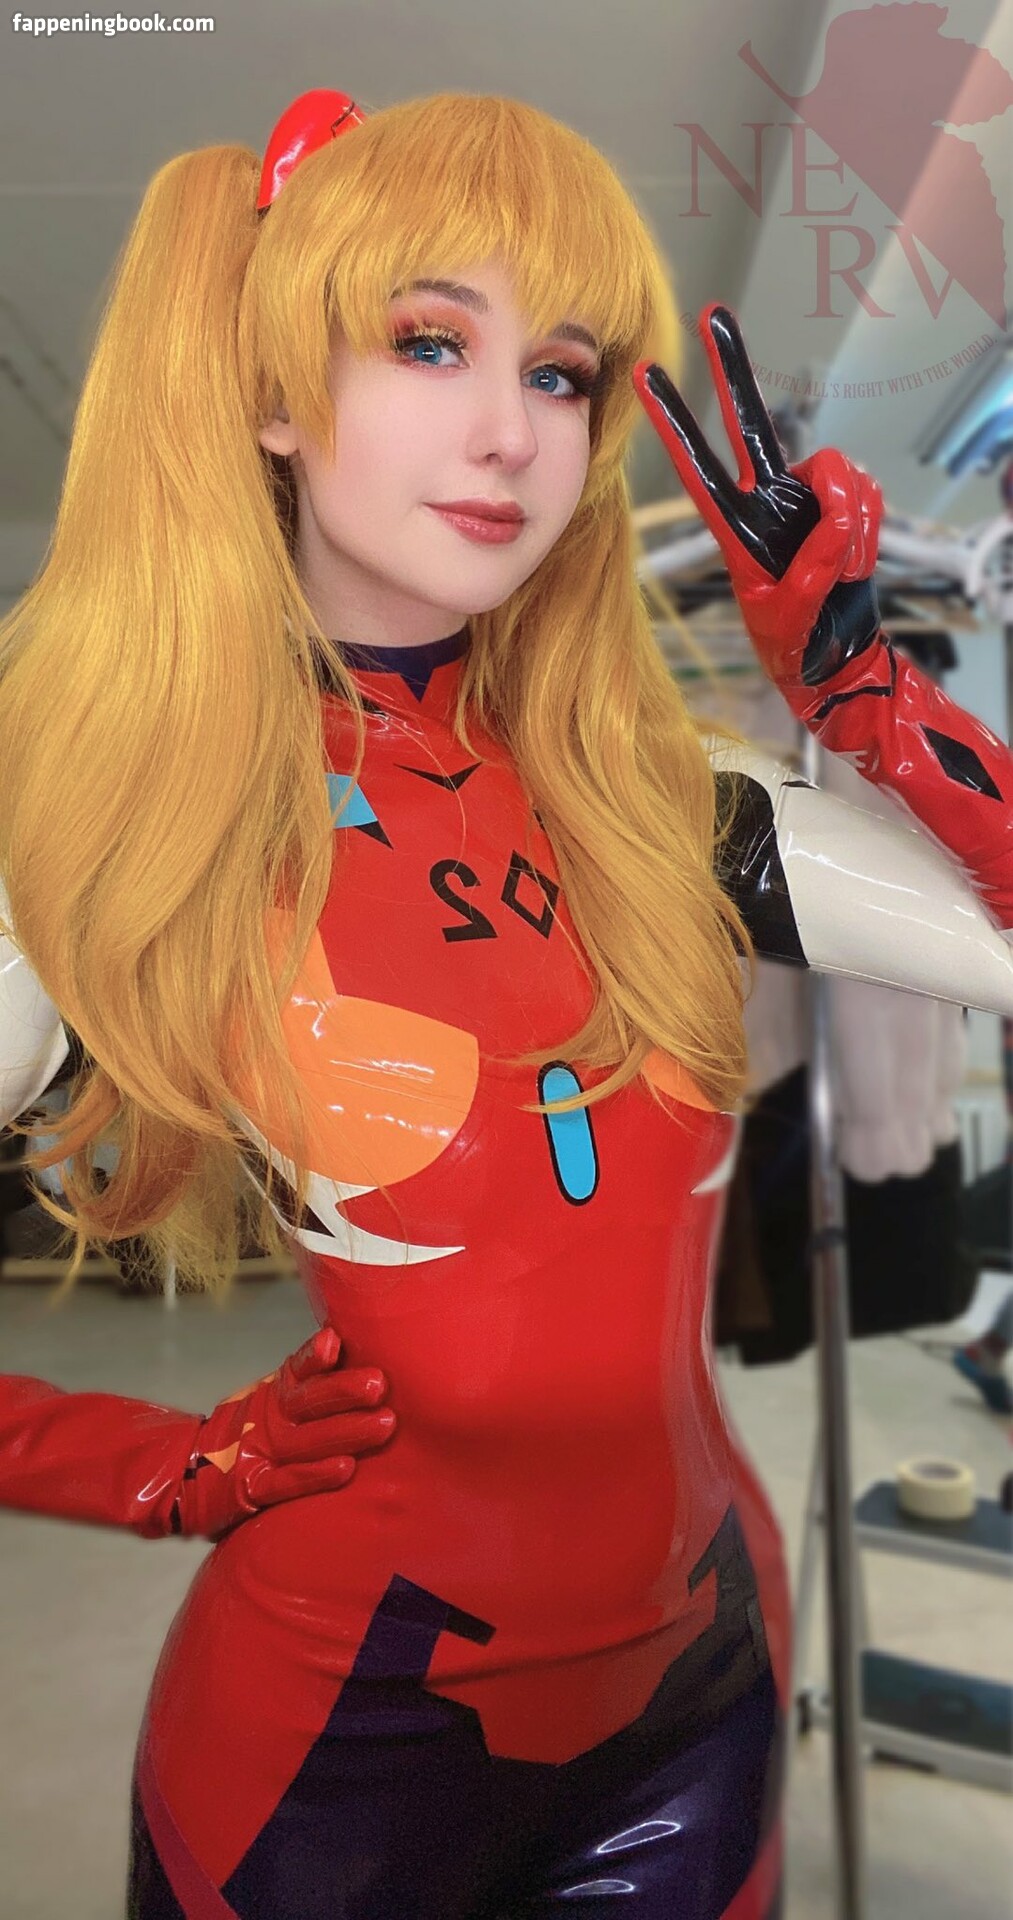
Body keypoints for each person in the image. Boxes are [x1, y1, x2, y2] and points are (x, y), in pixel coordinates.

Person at [0, 87, 1010, 1920]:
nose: (509, 433)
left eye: (559, 373)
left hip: (698, 1696)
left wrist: (864, 699)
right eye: (426, 342)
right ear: (269, 394)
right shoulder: (132, 834)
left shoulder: (657, 808)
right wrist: (160, 1466)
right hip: (331, 1756)